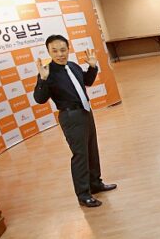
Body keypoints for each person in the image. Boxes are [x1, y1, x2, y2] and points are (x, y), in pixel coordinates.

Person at [33, 35, 116, 207]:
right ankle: (83, 194)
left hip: (85, 112)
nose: (60, 54)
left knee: (92, 150)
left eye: (63, 50)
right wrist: (42, 79)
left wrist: (92, 67)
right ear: (48, 52)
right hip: (70, 117)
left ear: (68, 49)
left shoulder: (73, 66)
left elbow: (87, 81)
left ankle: (95, 183)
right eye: (54, 51)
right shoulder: (47, 72)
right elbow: (40, 99)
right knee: (80, 155)